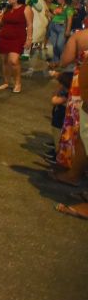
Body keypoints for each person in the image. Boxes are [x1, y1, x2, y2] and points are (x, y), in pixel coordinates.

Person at [51, 28, 88, 185]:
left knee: (79, 130)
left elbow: (65, 60)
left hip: (81, 86)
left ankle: (73, 168)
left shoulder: (80, 36)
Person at [0, 0, 33, 93]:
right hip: (4, 37)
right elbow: (2, 24)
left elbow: (29, 25)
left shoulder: (26, 8)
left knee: (14, 61)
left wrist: (29, 39)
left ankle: (17, 83)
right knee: (5, 62)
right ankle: (6, 82)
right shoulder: (8, 8)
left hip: (18, 38)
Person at [46, 71, 73, 164]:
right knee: (59, 137)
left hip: (61, 118)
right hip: (61, 117)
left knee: (59, 137)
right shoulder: (69, 92)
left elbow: (54, 100)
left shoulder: (67, 95)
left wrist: (58, 89)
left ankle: (58, 155)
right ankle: (57, 152)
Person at [48, 0, 74, 66]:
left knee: (59, 45)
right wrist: (50, 15)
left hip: (62, 27)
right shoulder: (57, 7)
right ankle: (56, 61)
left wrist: (68, 30)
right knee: (55, 45)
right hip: (53, 26)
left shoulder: (69, 8)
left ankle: (65, 59)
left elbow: (69, 20)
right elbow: (55, 16)